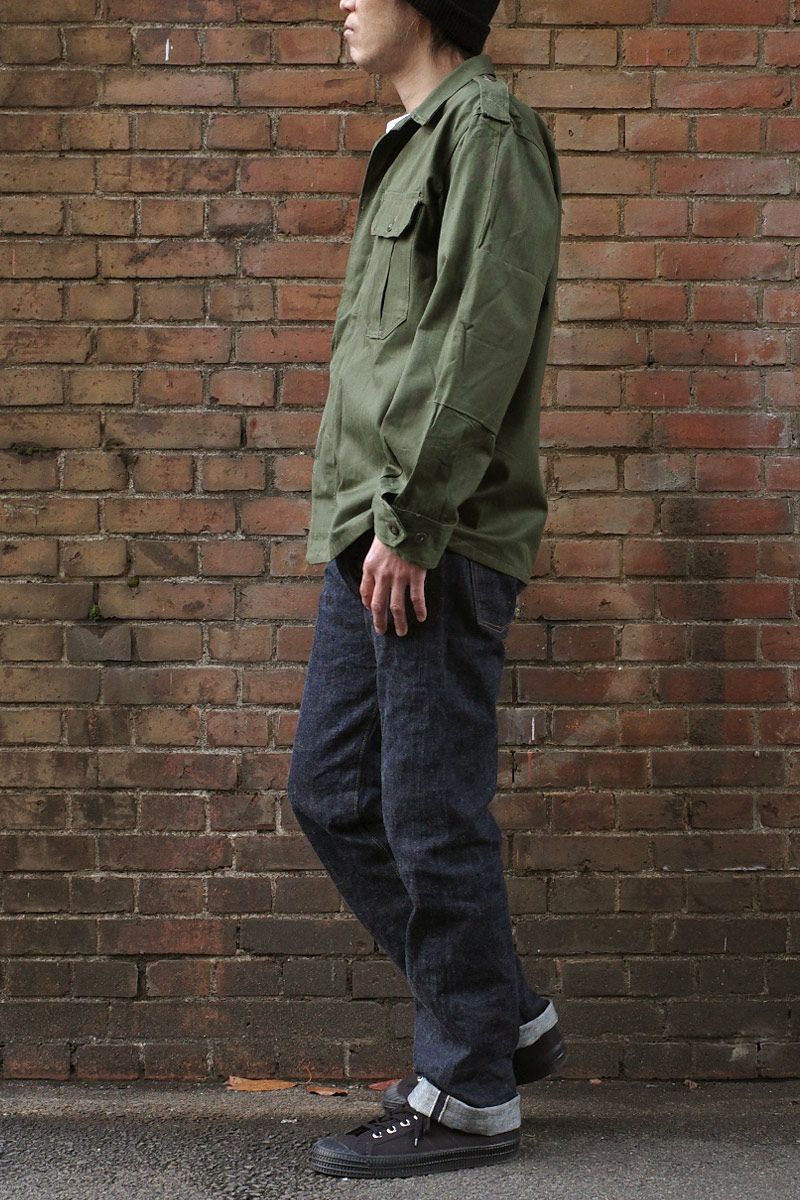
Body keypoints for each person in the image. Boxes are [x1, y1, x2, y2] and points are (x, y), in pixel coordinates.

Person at [286, 0, 564, 1179]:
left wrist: (415, 516)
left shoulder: (485, 129)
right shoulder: (410, 140)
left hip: (426, 531)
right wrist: (373, 520)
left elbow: (476, 340)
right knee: (331, 792)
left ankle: (467, 1092)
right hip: (371, 525)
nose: (341, 3)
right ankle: (497, 1013)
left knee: (427, 812)